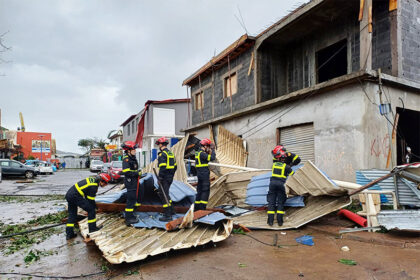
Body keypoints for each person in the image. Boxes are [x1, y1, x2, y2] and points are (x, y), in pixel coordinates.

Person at [65, 173, 111, 240]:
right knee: (91, 210)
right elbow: (90, 200)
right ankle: (92, 229)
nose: (105, 185)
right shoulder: (94, 186)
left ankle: (69, 235)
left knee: (72, 215)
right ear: (102, 181)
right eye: (106, 183)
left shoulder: (92, 180)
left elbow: (87, 195)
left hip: (69, 195)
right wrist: (95, 207)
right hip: (75, 196)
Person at [267, 149, 294, 226]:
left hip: (272, 184)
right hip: (281, 185)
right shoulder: (286, 167)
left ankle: (270, 221)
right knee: (280, 202)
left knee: (271, 202)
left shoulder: (274, 165)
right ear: (284, 159)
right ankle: (280, 222)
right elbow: (292, 174)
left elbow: (274, 157)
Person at [156, 137, 177, 222]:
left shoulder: (162, 154)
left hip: (164, 178)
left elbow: (162, 168)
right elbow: (175, 166)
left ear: (161, 145)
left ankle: (167, 215)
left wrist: (160, 178)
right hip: (169, 177)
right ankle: (172, 211)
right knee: (166, 194)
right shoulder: (171, 154)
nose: (158, 146)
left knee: (163, 195)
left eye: (159, 144)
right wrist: (171, 175)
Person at [121, 141, 142, 225]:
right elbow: (126, 172)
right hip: (130, 182)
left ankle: (131, 215)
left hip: (134, 181)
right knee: (131, 199)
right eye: (134, 149)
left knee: (133, 199)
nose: (135, 151)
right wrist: (137, 173)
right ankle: (128, 218)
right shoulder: (126, 159)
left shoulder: (132, 158)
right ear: (128, 150)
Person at [194, 138, 216, 211]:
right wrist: (213, 150)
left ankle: (196, 209)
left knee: (199, 191)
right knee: (205, 191)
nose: (209, 147)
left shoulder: (198, 153)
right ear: (205, 146)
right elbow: (212, 158)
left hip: (199, 174)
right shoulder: (202, 154)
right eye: (208, 146)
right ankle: (202, 209)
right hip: (204, 174)